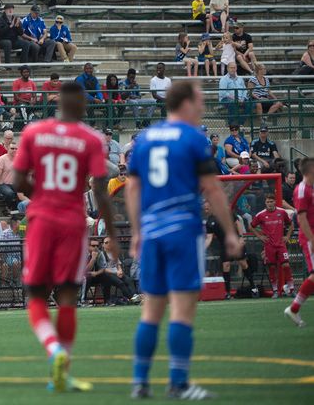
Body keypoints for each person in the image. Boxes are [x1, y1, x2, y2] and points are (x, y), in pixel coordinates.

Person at [126, 81, 240, 400]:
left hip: (151, 232)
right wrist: (230, 232)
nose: (203, 106)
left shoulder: (145, 139)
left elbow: (132, 189)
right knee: (182, 309)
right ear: (186, 103)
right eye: (200, 101)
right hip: (183, 230)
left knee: (150, 310)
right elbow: (213, 188)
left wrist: (137, 231)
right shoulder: (193, 138)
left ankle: (140, 382)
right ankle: (178, 382)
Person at [13, 81, 116, 392]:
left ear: (58, 101)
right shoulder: (91, 139)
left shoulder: (34, 131)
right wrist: (111, 232)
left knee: (35, 296)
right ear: (81, 103)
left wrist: (42, 195)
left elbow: (18, 180)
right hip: (73, 222)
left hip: (42, 219)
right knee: (68, 296)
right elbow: (100, 190)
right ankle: (64, 369)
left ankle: (53, 350)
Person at [285, 157, 314, 327]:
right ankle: (294, 308)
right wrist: (311, 240)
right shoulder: (302, 189)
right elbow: (301, 218)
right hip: (309, 237)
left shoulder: (309, 189)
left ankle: (294, 308)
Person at [250, 194, 293, 299]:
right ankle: (275, 291)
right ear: (265, 203)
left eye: (271, 201)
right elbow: (251, 226)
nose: (269, 203)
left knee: (286, 266)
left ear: (275, 202)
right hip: (269, 246)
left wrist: (287, 236)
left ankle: (291, 290)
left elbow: (291, 224)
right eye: (268, 202)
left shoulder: (282, 212)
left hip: (281, 245)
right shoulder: (260, 215)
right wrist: (260, 236)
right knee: (272, 268)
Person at [219, 62, 251, 127]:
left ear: (236, 68)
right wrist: (235, 98)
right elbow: (223, 92)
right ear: (227, 69)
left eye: (234, 67)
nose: (233, 69)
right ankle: (231, 124)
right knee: (233, 103)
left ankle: (240, 123)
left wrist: (242, 99)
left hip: (240, 99)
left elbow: (244, 90)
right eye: (231, 68)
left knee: (251, 103)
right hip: (227, 99)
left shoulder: (240, 79)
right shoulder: (224, 79)